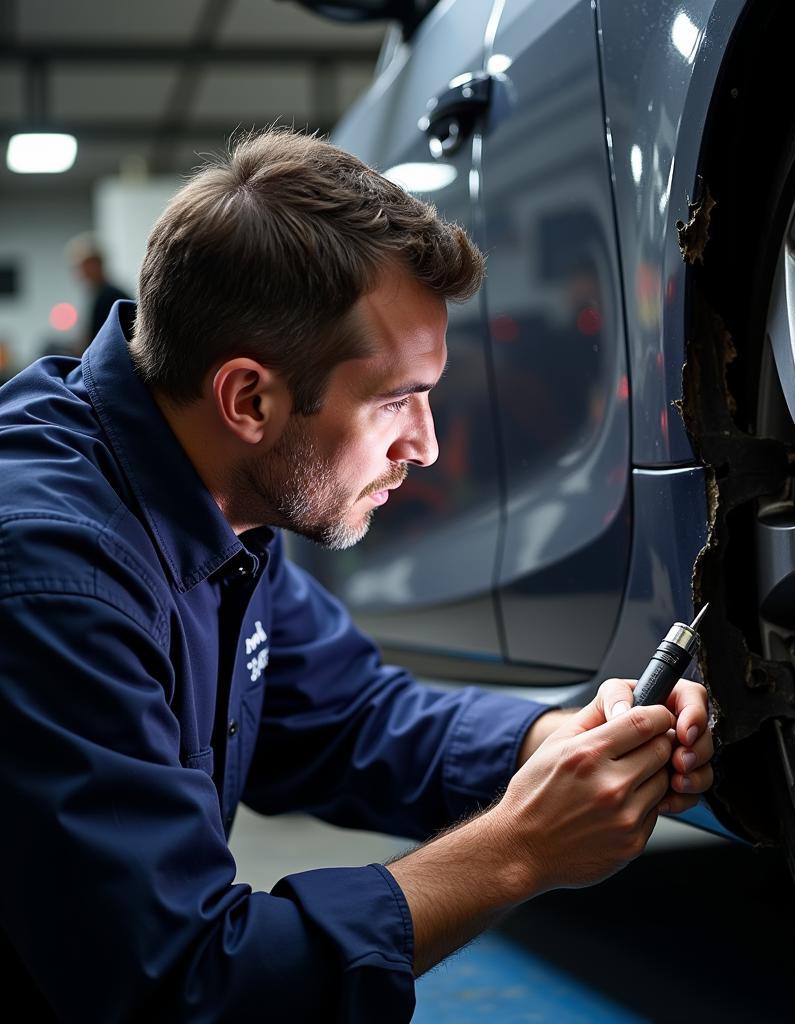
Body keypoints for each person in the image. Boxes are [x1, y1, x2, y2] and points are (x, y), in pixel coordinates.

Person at [0, 128, 714, 1022]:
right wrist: (517, 848)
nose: (427, 446)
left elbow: (344, 714)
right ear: (248, 399)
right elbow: (185, 983)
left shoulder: (215, 491)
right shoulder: (53, 577)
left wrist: (555, 740)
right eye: (394, 400)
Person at [65, 231, 132, 352]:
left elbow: (98, 342)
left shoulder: (110, 296)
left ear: (96, 264)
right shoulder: (98, 294)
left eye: (83, 266)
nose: (79, 272)